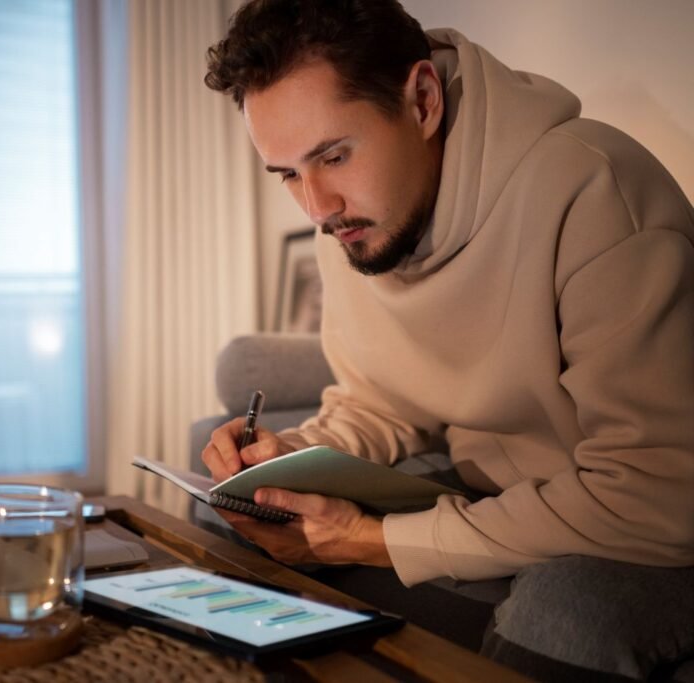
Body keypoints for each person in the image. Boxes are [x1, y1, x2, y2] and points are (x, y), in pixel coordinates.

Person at [200, 1, 694, 680]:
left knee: (565, 610)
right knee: (232, 523)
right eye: (287, 173)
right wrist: (287, 461)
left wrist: (379, 540)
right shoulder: (355, 223)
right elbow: (379, 401)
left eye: (334, 155)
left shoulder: (592, 191)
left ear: (423, 100)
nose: (316, 207)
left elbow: (654, 492)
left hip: (641, 524)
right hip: (501, 490)